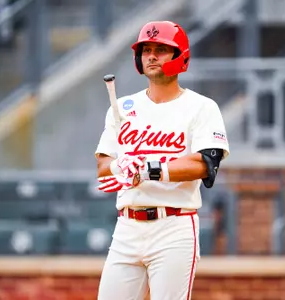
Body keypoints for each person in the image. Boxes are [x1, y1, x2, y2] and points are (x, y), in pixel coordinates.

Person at [94, 21, 230, 300]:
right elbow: (103, 166)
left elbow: (204, 164)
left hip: (174, 225)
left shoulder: (202, 107)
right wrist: (121, 166)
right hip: (127, 226)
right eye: (146, 50)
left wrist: (148, 169)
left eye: (161, 49)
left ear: (180, 57)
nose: (151, 56)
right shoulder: (122, 108)